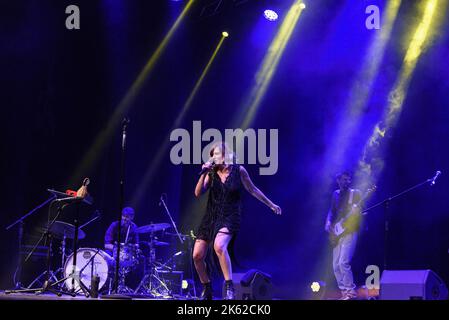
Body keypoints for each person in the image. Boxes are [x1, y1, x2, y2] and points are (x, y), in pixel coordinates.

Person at [193, 142, 282, 300]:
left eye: (217, 153)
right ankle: (207, 288)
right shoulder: (211, 172)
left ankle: (229, 286)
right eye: (212, 155)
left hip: (230, 215)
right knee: (197, 256)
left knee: (219, 246)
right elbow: (198, 193)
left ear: (226, 154)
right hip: (211, 216)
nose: (214, 157)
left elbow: (253, 189)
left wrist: (271, 204)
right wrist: (203, 172)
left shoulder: (238, 170)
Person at [325, 172, 362, 300]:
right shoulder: (335, 194)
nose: (347, 182)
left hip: (350, 230)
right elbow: (332, 211)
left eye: (349, 179)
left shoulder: (355, 193)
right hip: (337, 232)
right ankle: (344, 292)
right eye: (344, 179)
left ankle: (351, 292)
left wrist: (356, 212)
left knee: (343, 262)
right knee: (335, 265)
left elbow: (359, 212)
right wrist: (328, 222)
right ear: (338, 180)